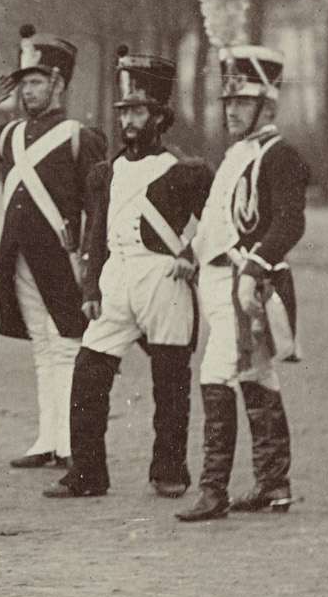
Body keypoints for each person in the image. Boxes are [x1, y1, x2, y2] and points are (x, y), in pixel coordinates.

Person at [0, 26, 106, 471]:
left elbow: (98, 208)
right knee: (42, 349)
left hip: (62, 256)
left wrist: (91, 264)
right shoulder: (11, 134)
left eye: (36, 81)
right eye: (25, 83)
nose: (27, 91)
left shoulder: (79, 136)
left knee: (67, 346)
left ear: (58, 84)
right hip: (19, 258)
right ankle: (48, 438)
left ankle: (70, 442)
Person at [51, 49, 210, 500]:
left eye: (138, 111)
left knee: (170, 380)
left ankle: (169, 470)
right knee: (89, 371)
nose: (129, 120)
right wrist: (90, 289)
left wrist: (192, 253)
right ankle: (88, 473)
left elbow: (216, 222)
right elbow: (95, 234)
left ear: (159, 116)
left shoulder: (185, 171)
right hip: (116, 278)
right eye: (124, 111)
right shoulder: (107, 172)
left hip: (164, 280)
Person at [178, 43, 311, 523]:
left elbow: (290, 223)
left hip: (248, 285)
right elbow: (218, 218)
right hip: (220, 280)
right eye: (229, 102)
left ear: (268, 106)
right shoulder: (237, 153)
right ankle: (274, 484)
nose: (232, 110)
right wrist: (191, 252)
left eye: (243, 102)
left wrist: (254, 266)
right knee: (257, 376)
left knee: (215, 374)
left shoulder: (280, 155)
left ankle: (213, 489)